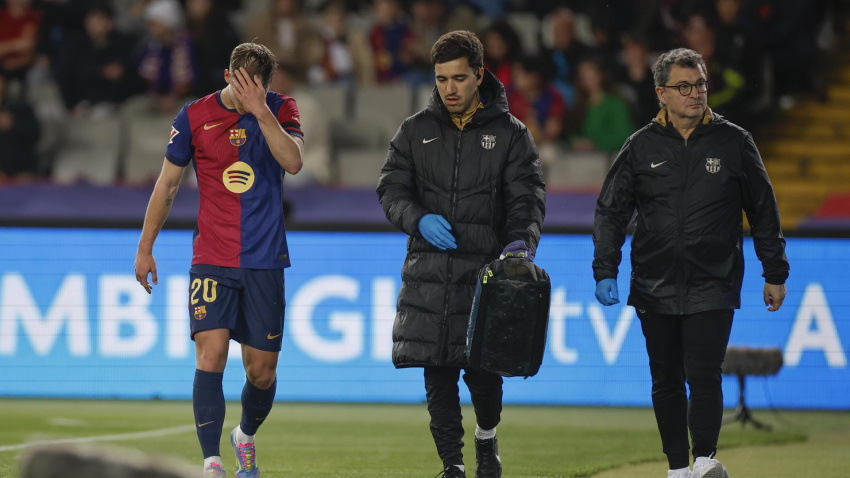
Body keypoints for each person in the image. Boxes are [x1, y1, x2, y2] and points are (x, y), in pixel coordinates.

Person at [592, 48, 789, 478]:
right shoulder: (640, 146)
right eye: (684, 87)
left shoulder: (734, 141)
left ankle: (703, 460)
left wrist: (774, 271)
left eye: (700, 84)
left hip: (713, 282)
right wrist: (605, 269)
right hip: (654, 282)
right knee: (665, 379)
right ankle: (677, 469)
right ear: (661, 93)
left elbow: (763, 208)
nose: (695, 93)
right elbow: (610, 211)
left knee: (703, 373)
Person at [376, 30, 545, 478]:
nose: (448, 88)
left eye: (458, 78)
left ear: (479, 75)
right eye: (441, 79)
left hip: (485, 275)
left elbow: (526, 198)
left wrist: (519, 244)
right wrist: (416, 218)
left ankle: (486, 438)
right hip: (429, 273)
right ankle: (451, 465)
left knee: (483, 377)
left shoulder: (511, 135)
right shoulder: (414, 131)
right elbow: (391, 189)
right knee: (437, 375)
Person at [134, 42, 303, 478]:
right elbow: (168, 184)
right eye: (242, 84)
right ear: (228, 75)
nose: (249, 93)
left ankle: (244, 436)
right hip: (212, 257)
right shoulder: (193, 116)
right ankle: (212, 463)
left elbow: (294, 162)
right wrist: (145, 246)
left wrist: (260, 110)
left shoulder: (281, 109)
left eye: (258, 87)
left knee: (262, 372)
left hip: (265, 258)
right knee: (210, 355)